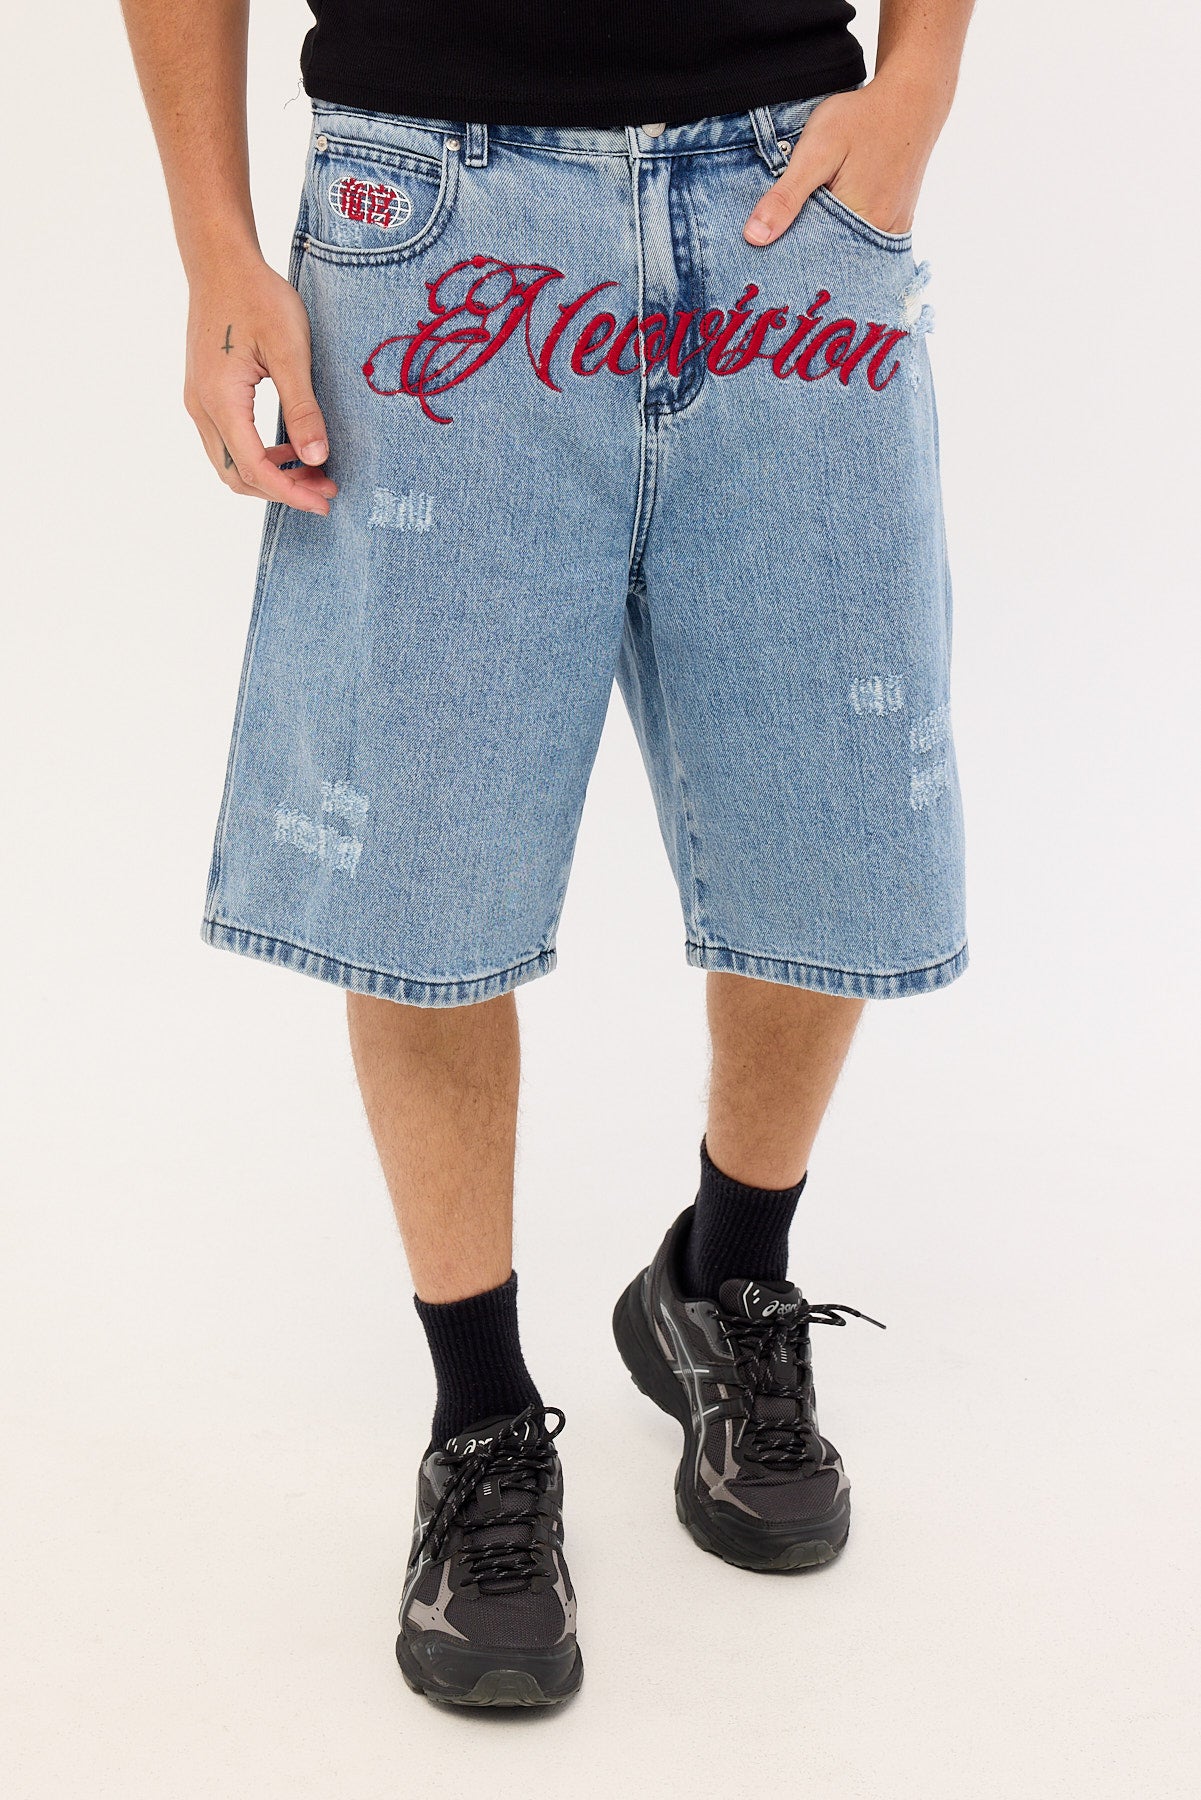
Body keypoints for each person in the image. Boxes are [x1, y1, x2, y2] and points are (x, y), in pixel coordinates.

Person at [120, 0, 975, 1710]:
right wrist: (216, 243)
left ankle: (725, 1278)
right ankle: (483, 1422)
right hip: (429, 214)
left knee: (821, 822)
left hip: (783, 192)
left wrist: (919, 82)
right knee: (423, 877)